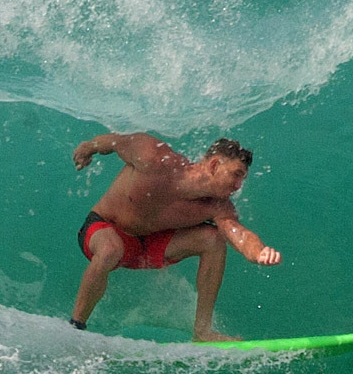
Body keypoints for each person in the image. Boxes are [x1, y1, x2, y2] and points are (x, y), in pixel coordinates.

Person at [70, 132, 282, 341]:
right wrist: (88, 147)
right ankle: (76, 327)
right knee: (111, 249)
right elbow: (117, 141)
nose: (238, 186)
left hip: (146, 248)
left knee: (213, 238)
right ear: (214, 165)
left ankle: (202, 332)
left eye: (242, 179)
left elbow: (237, 233)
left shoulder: (217, 206)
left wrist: (259, 252)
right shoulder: (154, 158)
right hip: (104, 228)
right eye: (236, 174)